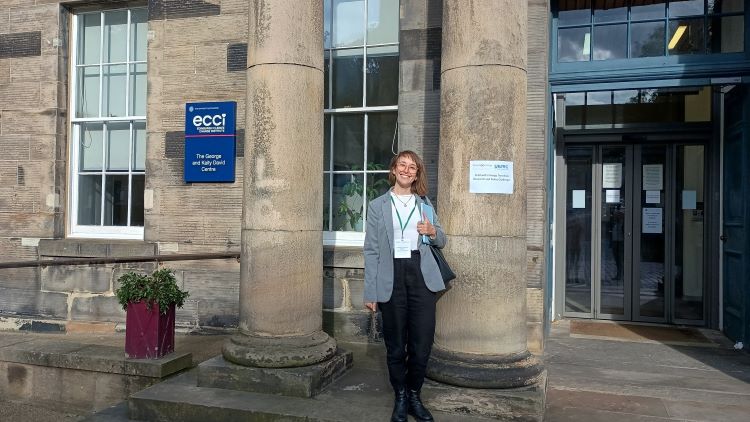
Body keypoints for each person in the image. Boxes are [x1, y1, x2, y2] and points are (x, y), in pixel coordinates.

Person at [363, 150, 447, 422]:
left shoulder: (424, 204)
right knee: (396, 345)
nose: (407, 170)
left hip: (421, 275)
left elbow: (442, 239)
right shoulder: (377, 206)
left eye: (413, 167)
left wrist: (432, 232)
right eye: (403, 165)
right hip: (392, 276)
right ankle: (400, 396)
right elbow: (372, 251)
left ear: (417, 174)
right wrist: (371, 292)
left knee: (422, 343)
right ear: (394, 169)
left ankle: (414, 395)